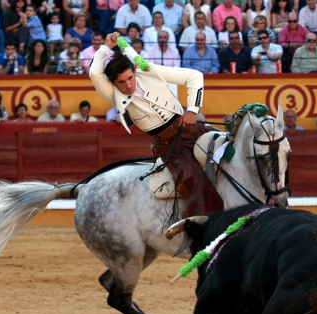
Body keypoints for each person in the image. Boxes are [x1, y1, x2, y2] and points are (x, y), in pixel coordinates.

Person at [90, 32, 223, 217]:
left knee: (233, 150)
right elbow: (94, 72)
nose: (128, 85)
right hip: (170, 145)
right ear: (113, 83)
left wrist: (192, 110)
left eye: (130, 77)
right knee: (195, 181)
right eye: (121, 82)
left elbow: (194, 76)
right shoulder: (113, 94)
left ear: (134, 71)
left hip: (191, 127)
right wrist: (105, 47)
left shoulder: (148, 70)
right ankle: (204, 226)